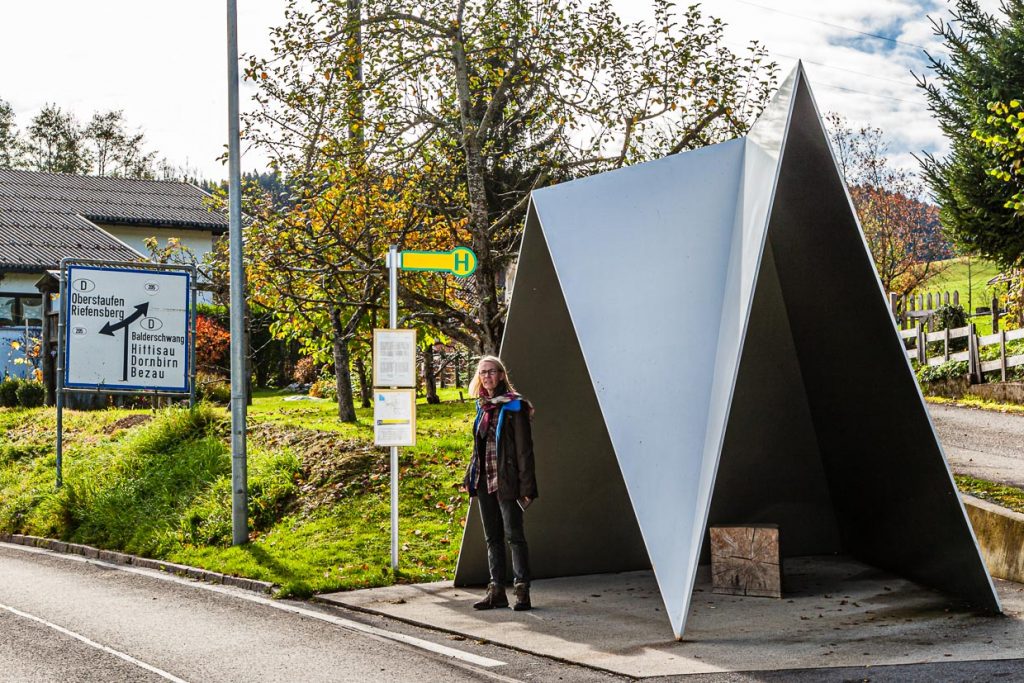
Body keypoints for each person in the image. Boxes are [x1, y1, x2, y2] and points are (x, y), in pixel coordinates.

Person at [464, 355, 538, 611]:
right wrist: (469, 476)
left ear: (502, 374)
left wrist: (527, 488)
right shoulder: (482, 406)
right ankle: (496, 591)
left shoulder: (514, 405)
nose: (487, 376)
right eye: (483, 372)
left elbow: (524, 451)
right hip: (484, 478)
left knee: (514, 536)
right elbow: (478, 447)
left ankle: (521, 591)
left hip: (507, 481)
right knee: (491, 537)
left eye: (492, 372)